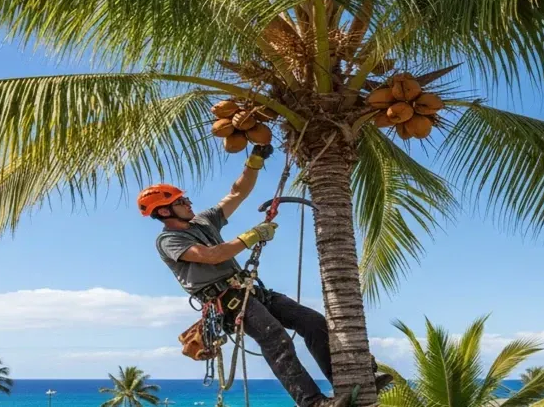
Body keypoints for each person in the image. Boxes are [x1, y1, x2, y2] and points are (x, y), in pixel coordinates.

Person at [139, 144, 392, 407]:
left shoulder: (203, 221)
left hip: (249, 290)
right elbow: (211, 255)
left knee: (312, 321)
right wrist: (251, 236)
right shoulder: (169, 240)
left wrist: (254, 161)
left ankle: (355, 380)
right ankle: (313, 403)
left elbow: (237, 193)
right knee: (275, 339)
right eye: (180, 201)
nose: (188, 202)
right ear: (164, 211)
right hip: (227, 300)